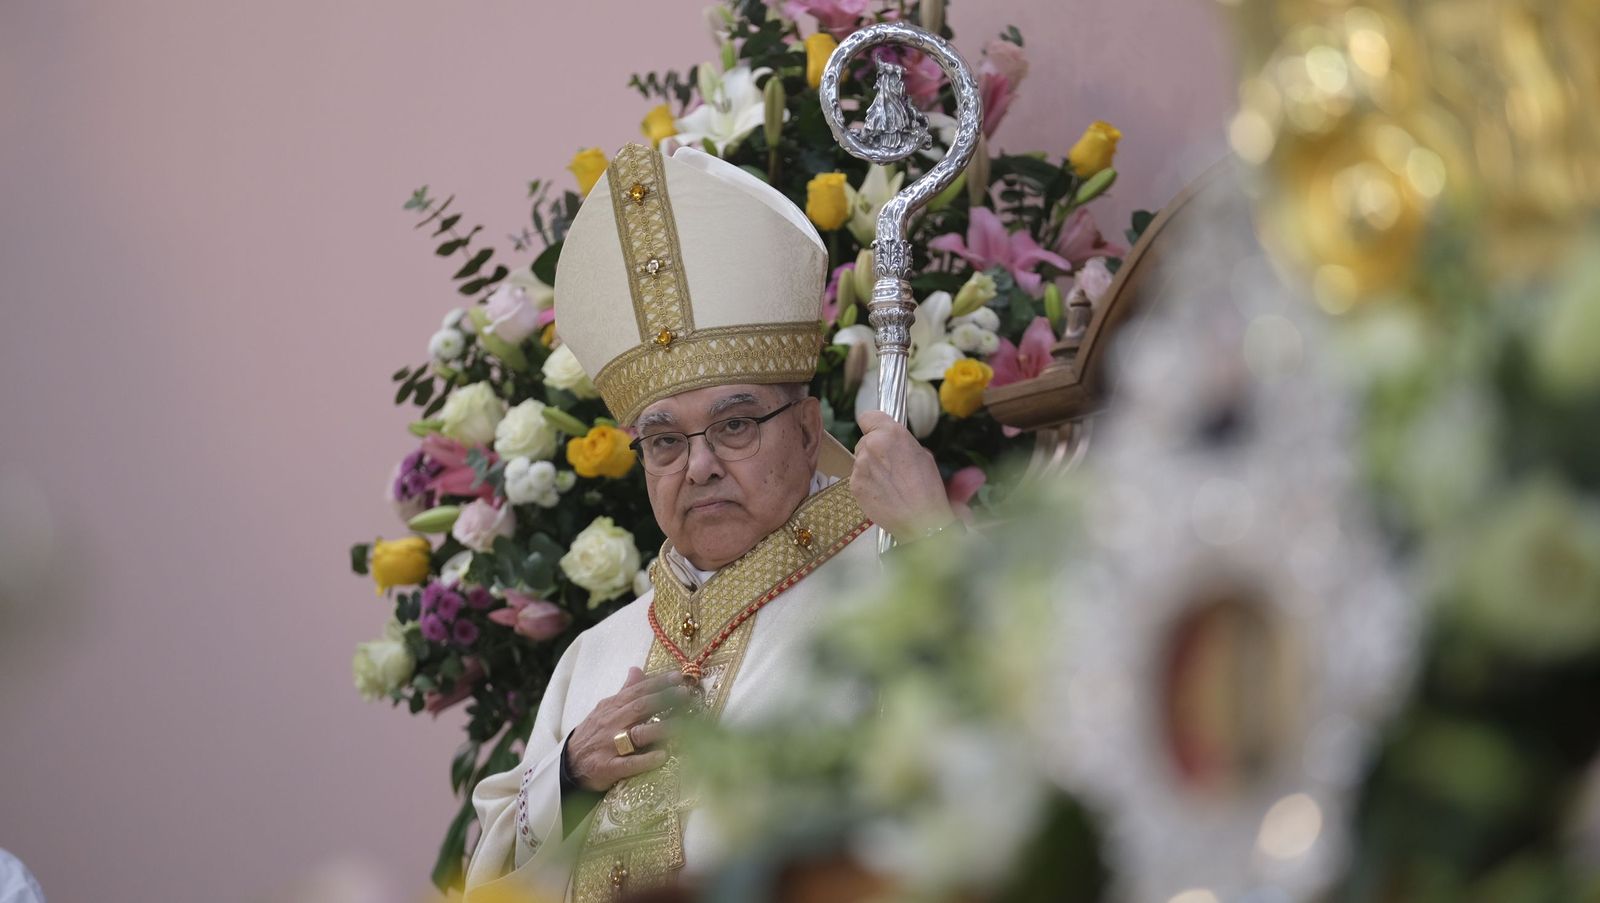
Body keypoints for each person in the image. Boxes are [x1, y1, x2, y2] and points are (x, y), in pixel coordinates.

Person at [463, 143, 955, 902]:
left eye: (734, 425)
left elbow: (1030, 755)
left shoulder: (898, 577)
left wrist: (934, 535)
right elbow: (484, 879)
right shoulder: (597, 655)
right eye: (664, 441)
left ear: (805, 426)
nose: (697, 466)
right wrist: (569, 774)